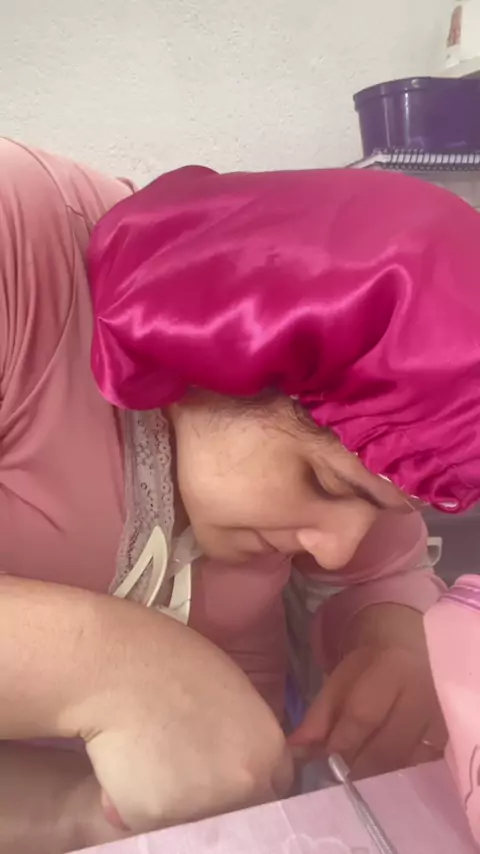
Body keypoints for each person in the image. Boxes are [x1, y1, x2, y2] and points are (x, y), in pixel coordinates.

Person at [1, 137, 477, 853]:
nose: (335, 548)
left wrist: (391, 634)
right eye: (321, 482)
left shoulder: (363, 426)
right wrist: (111, 665)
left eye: (379, 507)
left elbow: (382, 570)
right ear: (227, 357)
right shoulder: (22, 246)